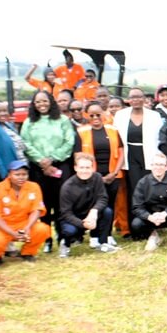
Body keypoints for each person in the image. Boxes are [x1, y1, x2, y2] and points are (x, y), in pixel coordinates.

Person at [20, 90, 75, 244]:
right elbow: (26, 143)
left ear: (51, 101)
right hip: (38, 168)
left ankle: (63, 237)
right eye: (37, 102)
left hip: (60, 166)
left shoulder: (63, 120)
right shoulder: (29, 122)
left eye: (44, 101)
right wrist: (41, 160)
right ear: (33, 104)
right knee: (42, 203)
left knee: (61, 202)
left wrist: (52, 159)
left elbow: (69, 142)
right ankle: (46, 239)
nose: (41, 104)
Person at [74, 102, 123, 250]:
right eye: (92, 115)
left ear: (104, 114)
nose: (95, 117)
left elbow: (121, 153)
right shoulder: (81, 132)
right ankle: (94, 236)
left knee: (111, 205)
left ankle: (107, 235)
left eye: (98, 114)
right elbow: (78, 156)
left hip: (113, 175)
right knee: (95, 205)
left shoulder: (113, 130)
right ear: (86, 115)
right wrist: (94, 176)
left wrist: (113, 173)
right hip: (92, 177)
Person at [0, 160, 51, 264]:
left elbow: (37, 209)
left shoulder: (34, 187)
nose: (21, 177)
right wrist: (11, 233)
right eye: (17, 174)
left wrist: (28, 227)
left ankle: (27, 253)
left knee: (43, 230)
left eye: (24, 174)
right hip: (2, 225)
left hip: (23, 223)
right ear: (9, 174)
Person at [114, 87, 164, 210]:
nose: (136, 100)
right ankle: (134, 222)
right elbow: (116, 138)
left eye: (139, 97)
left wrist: (160, 158)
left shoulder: (154, 116)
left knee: (149, 187)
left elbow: (159, 138)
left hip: (149, 155)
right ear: (128, 100)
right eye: (132, 97)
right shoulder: (120, 115)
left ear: (144, 99)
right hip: (129, 155)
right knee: (134, 187)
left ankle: (149, 221)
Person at [58, 153, 115, 257]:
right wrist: (83, 223)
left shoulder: (97, 178)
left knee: (107, 212)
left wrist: (94, 211)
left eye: (88, 167)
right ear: (75, 168)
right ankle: (65, 245)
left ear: (92, 167)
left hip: (91, 214)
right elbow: (66, 213)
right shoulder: (67, 187)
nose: (85, 171)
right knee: (69, 230)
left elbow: (103, 198)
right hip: (74, 218)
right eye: (81, 167)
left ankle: (103, 243)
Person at [131, 154, 167, 251]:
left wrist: (165, 213)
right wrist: (149, 217)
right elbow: (137, 207)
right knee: (136, 224)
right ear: (151, 166)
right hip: (151, 218)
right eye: (156, 164)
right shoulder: (142, 182)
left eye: (162, 165)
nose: (158, 167)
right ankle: (153, 236)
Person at [0, 100, 28, 179]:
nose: (2, 114)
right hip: (10, 172)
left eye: (4, 111)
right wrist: (4, 174)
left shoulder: (7, 124)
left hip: (22, 167)